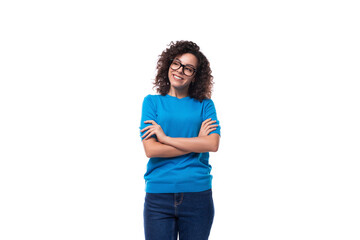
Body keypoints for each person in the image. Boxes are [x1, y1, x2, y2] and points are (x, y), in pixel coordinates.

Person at [139, 40, 221, 240]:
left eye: (189, 68)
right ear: (168, 64)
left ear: (195, 76)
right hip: (158, 196)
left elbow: (212, 144)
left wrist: (165, 138)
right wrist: (196, 142)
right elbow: (151, 150)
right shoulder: (152, 102)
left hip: (197, 195)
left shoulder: (205, 105)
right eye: (177, 63)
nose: (180, 70)